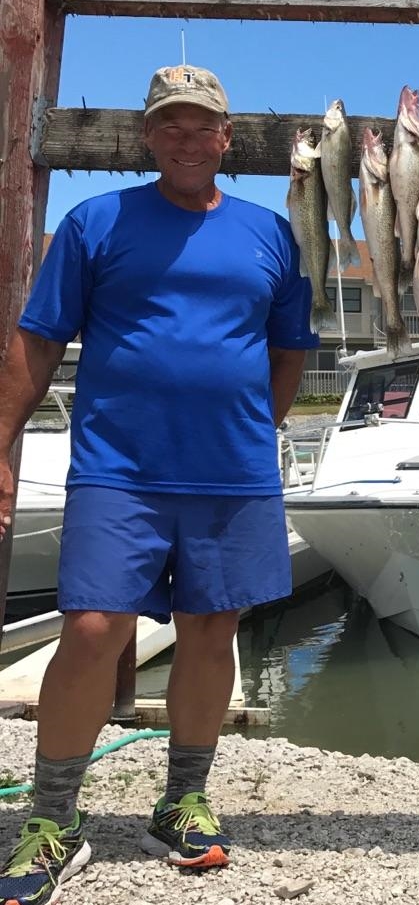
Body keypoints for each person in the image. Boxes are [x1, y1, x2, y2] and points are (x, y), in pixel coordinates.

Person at [0, 65, 318, 903]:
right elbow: (37, 341)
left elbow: (290, 347)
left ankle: (182, 800)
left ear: (226, 138)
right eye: (168, 125)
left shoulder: (270, 232)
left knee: (212, 635)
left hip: (232, 475)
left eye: (201, 125)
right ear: (147, 136)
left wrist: (256, 428)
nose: (186, 138)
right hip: (119, 470)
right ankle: (55, 819)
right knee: (94, 629)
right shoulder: (96, 222)